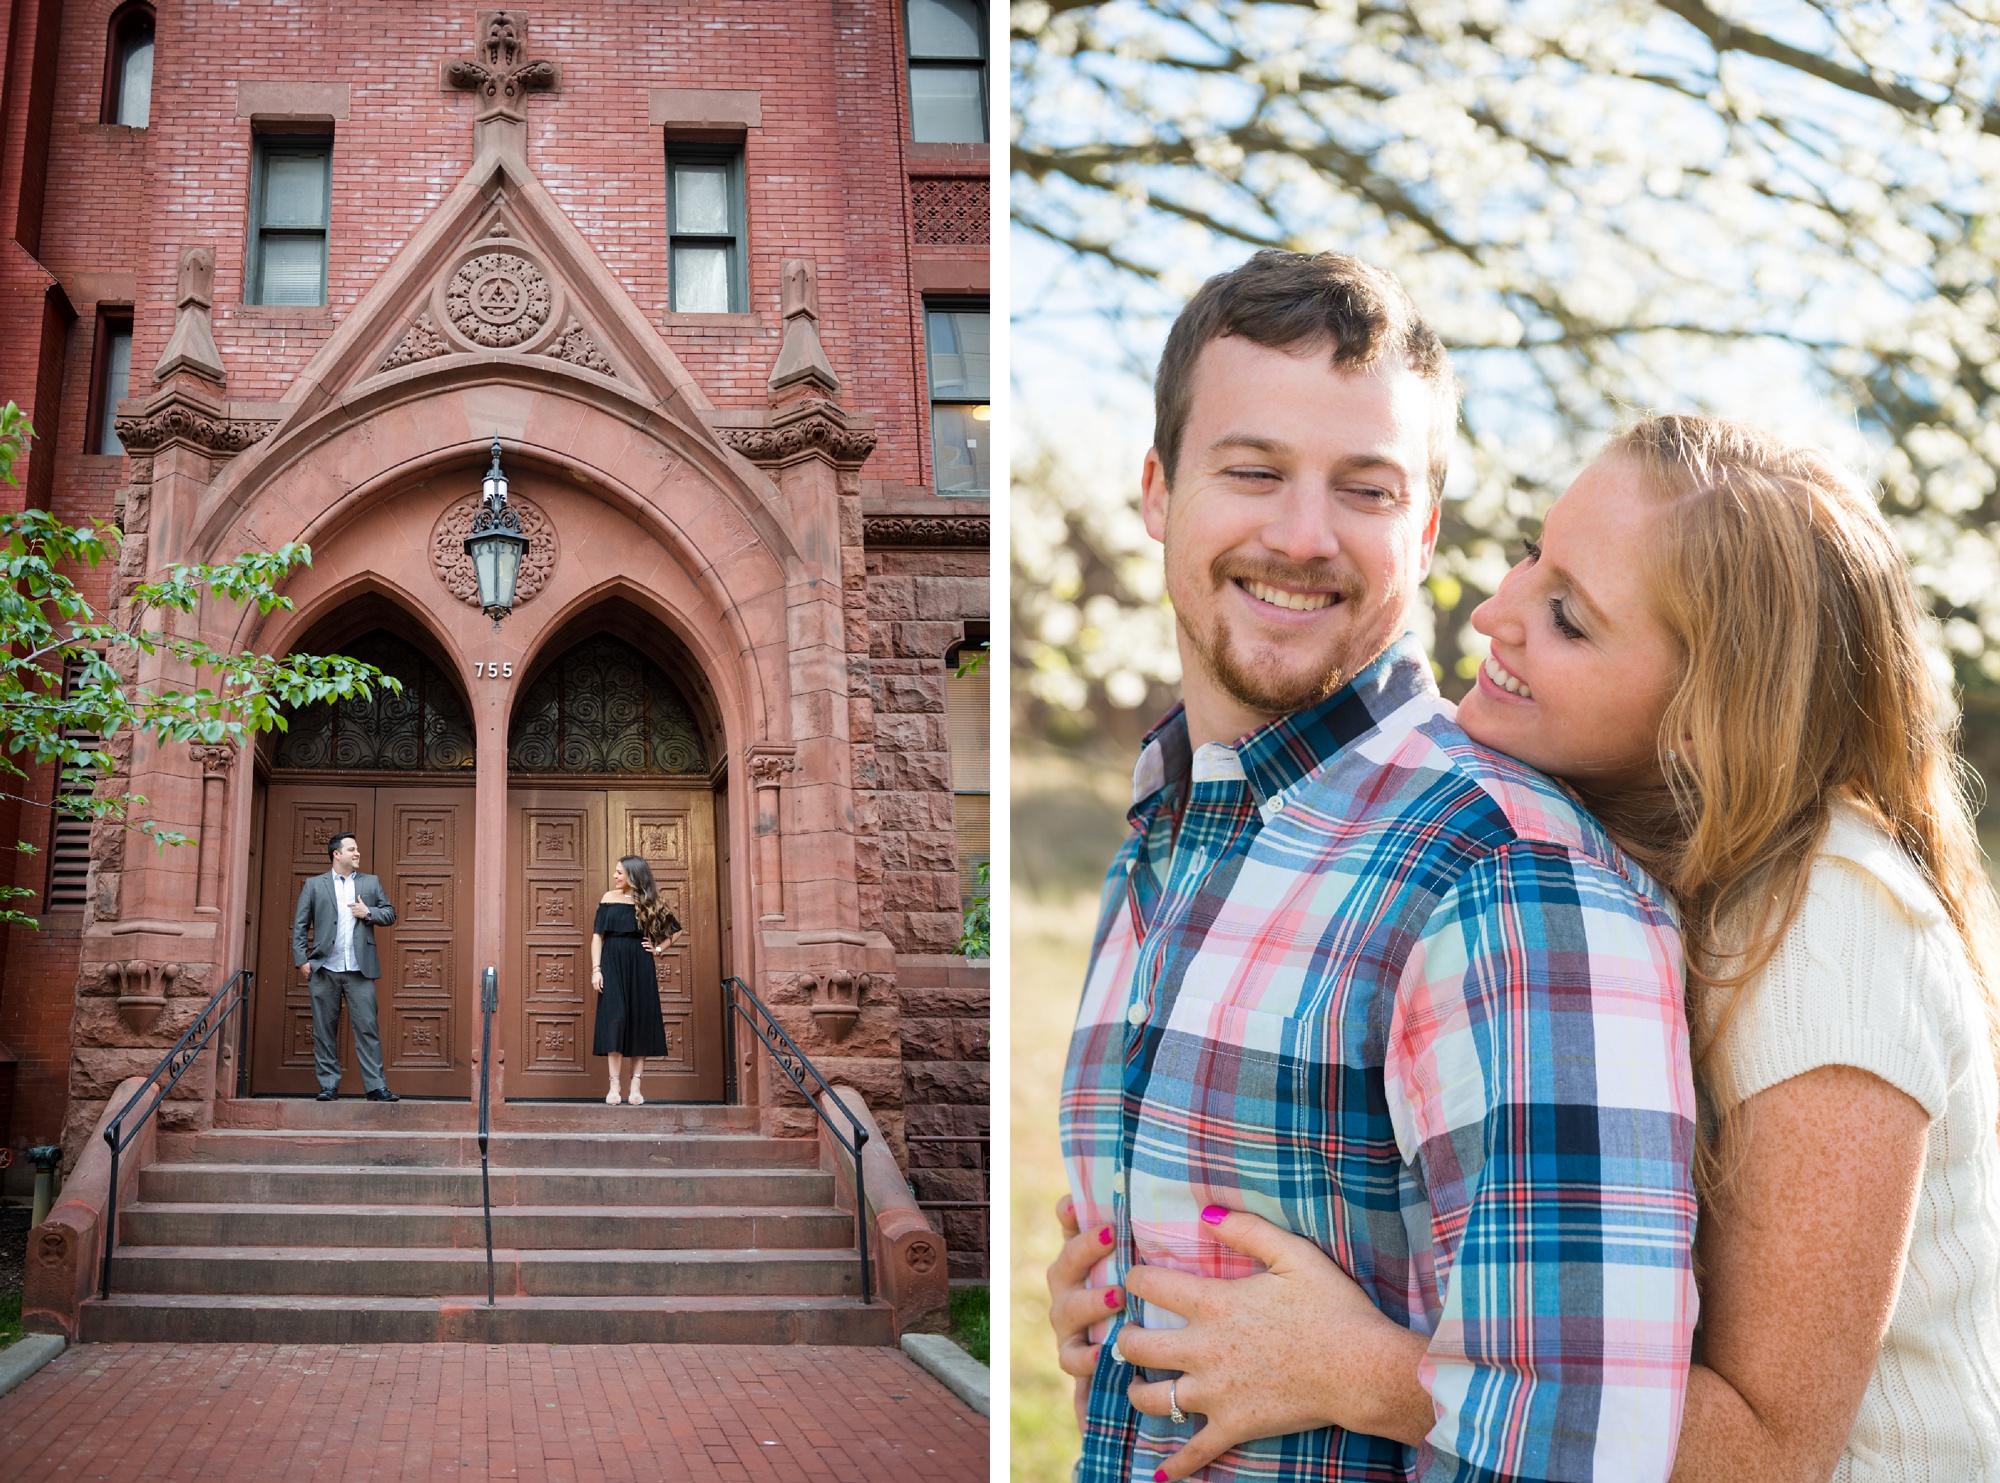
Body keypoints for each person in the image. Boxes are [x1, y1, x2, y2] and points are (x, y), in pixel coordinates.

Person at [1052, 416, 2000, 1480]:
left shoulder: (1835, 928)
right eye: (1528, 556)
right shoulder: (1587, 841)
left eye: (1568, 618)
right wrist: (1145, 1281)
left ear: (1701, 714)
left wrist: (1360, 1370)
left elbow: (1767, 1452)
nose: (1495, 611)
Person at [1051, 249, 1699, 1483]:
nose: (1301, 537)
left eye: (1364, 489)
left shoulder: (1502, 875)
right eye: (1251, 471)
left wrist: (1364, 1377)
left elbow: (1581, 1442)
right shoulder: (1166, 831)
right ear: (1154, 488)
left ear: (1426, 527)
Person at [291, 830, 399, 1102]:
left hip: (360, 971)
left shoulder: (371, 883)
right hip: (324, 969)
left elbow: (390, 914)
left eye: (357, 849)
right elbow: (300, 926)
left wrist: (369, 913)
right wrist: (301, 960)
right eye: (351, 849)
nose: (357, 853)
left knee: (367, 1029)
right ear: (336, 854)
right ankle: (328, 1085)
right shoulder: (314, 885)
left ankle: (376, 1088)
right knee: (324, 1031)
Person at [592, 855, 683, 1105]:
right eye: (615, 871)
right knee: (615, 1019)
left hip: (640, 965)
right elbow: (597, 937)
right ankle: (614, 1086)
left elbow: (676, 931)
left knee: (639, 1022)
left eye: (619, 872)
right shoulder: (608, 899)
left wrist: (658, 949)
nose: (615, 876)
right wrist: (596, 969)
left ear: (633, 875)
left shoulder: (650, 901)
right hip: (611, 964)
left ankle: (635, 1086)